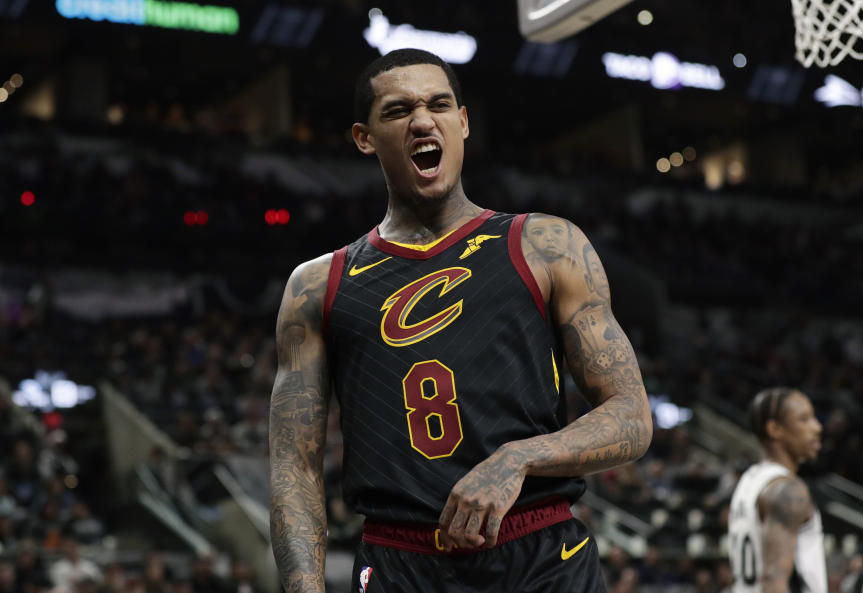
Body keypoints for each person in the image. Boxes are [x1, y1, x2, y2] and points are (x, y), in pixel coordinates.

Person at [268, 48, 653, 593]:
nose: (423, 120)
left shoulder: (546, 244)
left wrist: (519, 458)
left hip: (541, 553)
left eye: (439, 104)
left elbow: (632, 416)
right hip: (401, 563)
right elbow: (294, 470)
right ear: (364, 137)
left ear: (463, 122)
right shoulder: (316, 285)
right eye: (399, 111)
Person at [727, 387, 826, 593]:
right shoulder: (788, 490)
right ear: (775, 429)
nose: (817, 427)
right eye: (804, 419)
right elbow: (773, 578)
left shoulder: (749, 480)